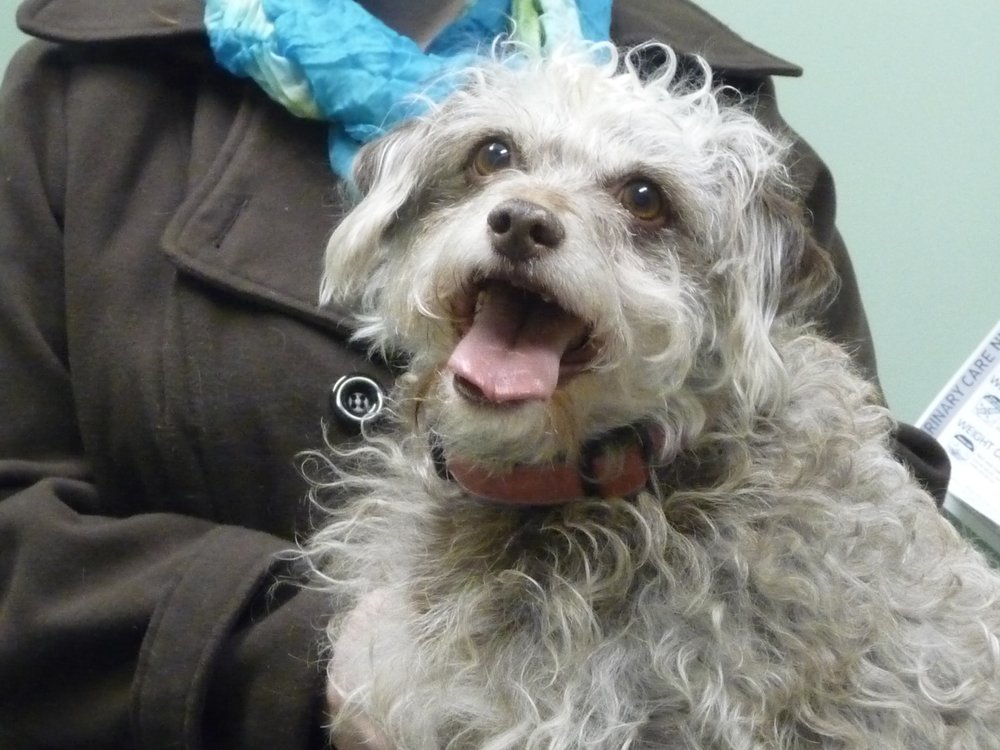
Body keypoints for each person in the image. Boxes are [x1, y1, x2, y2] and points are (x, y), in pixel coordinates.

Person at [0, 0, 949, 748]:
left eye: (642, 200)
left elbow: (868, 502)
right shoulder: (86, 95)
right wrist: (291, 661)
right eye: (496, 158)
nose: (528, 212)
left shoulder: (739, 122)